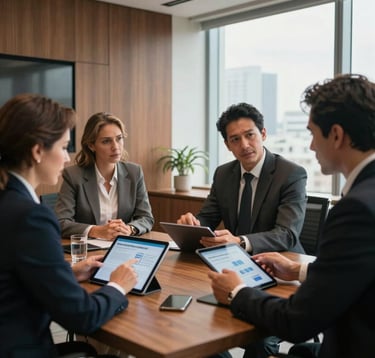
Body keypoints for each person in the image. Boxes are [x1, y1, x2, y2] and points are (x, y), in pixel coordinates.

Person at [207, 74, 375, 358]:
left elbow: (297, 320)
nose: (310, 146)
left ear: (336, 134)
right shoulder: (365, 195)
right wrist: (299, 271)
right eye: (235, 139)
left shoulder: (357, 208)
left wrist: (236, 292)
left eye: (311, 133)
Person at [0, 94, 138, 357]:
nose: (66, 158)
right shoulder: (31, 218)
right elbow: (82, 317)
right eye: (63, 147)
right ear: (37, 150)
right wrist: (118, 285)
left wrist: (66, 272)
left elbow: (12, 275)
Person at [178, 102, 307, 254]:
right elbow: (208, 217)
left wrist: (241, 242)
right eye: (235, 139)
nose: (244, 145)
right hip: (236, 258)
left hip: (282, 261)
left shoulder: (290, 174)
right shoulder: (223, 174)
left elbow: (286, 234)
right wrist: (194, 225)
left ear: (263, 134)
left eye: (250, 135)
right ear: (227, 145)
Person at [56, 112, 154, 240]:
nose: (115, 147)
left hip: (121, 247)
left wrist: (129, 229)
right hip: (88, 251)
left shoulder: (134, 173)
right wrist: (95, 231)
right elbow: (61, 222)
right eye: (106, 141)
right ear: (91, 145)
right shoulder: (74, 176)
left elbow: (146, 217)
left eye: (119, 138)